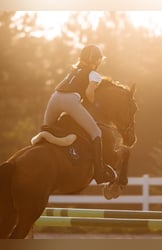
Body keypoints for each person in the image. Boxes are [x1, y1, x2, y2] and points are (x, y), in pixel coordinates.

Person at [43, 44, 115, 184]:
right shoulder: (94, 74)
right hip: (70, 100)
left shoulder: (73, 71)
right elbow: (89, 93)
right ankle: (99, 172)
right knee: (96, 132)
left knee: (46, 131)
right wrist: (93, 102)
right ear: (97, 60)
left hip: (54, 98)